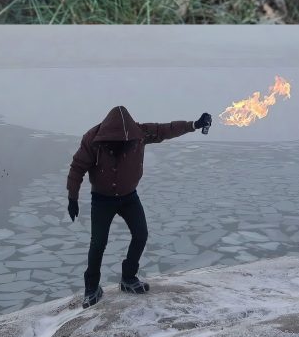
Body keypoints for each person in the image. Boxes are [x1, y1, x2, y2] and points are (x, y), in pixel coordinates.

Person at [66, 105, 212, 308]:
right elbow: (77, 167)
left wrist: (194, 125)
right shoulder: (92, 139)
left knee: (141, 234)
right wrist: (72, 197)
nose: (122, 144)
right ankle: (91, 288)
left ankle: (128, 277)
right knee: (98, 243)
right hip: (102, 199)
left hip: (129, 197)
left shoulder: (139, 133)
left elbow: (166, 129)